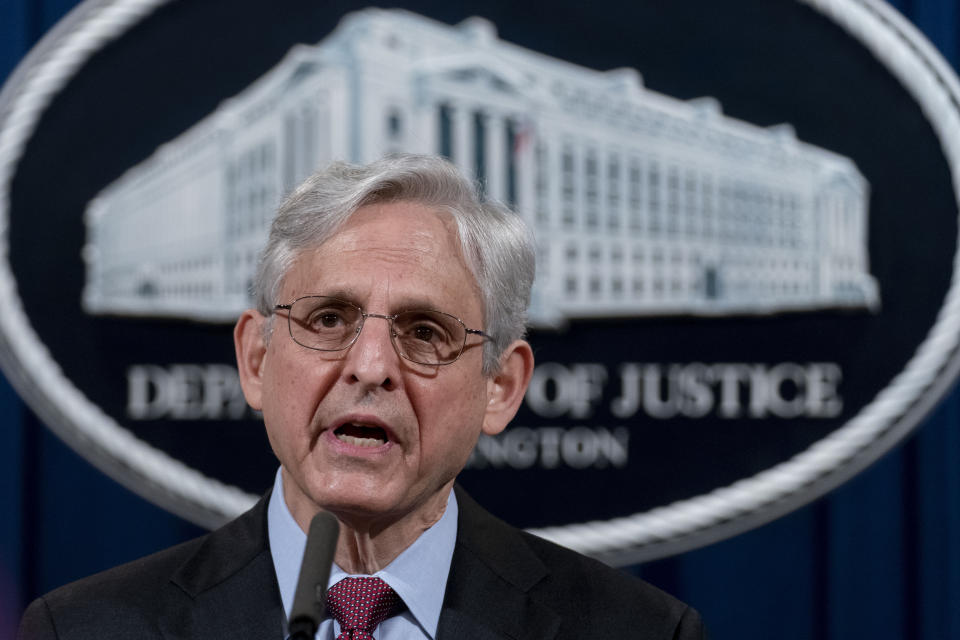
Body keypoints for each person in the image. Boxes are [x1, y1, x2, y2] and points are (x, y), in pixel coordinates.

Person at [19, 154, 705, 639]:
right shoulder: (84, 629)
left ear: (500, 387)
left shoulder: (637, 630)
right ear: (257, 360)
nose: (371, 366)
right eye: (327, 320)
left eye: (425, 331)